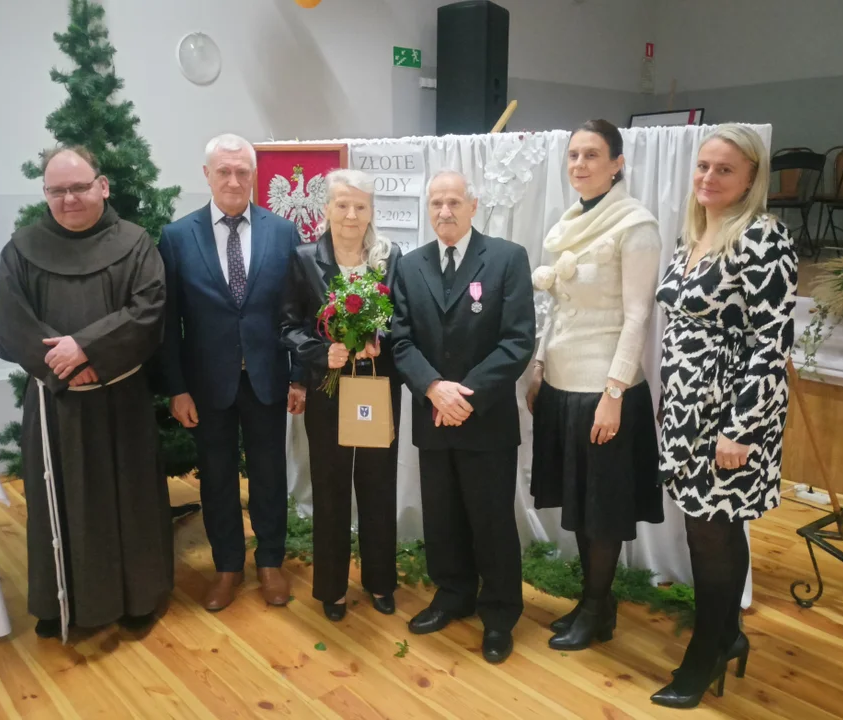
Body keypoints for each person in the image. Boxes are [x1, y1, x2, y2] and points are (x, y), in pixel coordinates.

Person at [0, 145, 173, 638]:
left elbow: (149, 311)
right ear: (45, 193)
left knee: (128, 498)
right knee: (60, 496)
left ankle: (137, 598)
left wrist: (88, 349)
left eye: (78, 187)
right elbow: (12, 325)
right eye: (57, 190)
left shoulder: (136, 244)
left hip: (121, 400)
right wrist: (66, 364)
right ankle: (58, 602)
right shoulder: (22, 249)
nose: (68, 198)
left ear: (102, 186)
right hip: (56, 404)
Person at [651, 124, 797, 709]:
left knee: (714, 530)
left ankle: (709, 648)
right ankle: (725, 633)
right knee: (704, 525)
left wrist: (740, 428)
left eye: (725, 169)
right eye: (703, 166)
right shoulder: (695, 235)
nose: (709, 178)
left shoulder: (763, 238)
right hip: (685, 412)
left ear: (752, 179)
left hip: (730, 418)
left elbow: (770, 342)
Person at [527, 119, 665, 651]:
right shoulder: (568, 223)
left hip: (607, 391)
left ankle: (595, 608)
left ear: (617, 164)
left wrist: (613, 394)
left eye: (592, 155)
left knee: (602, 509)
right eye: (573, 155)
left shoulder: (635, 225)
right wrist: (539, 365)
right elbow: (557, 306)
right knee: (580, 504)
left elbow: (638, 317)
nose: (579, 165)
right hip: (563, 384)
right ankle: (596, 603)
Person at [391, 169, 535, 664]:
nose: (445, 212)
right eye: (436, 203)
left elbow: (518, 340)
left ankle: (498, 614)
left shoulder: (506, 258)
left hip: (485, 419)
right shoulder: (410, 266)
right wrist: (434, 388)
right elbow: (400, 339)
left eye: (453, 202)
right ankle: (453, 593)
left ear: (474, 206)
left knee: (492, 519)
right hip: (433, 414)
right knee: (443, 514)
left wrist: (463, 395)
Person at [158, 134, 305, 611]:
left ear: (254, 176)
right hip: (207, 386)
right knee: (216, 477)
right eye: (224, 171)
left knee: (268, 474)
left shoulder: (282, 233)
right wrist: (177, 388)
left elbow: (299, 313)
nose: (234, 180)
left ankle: (270, 563)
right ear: (207, 175)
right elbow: (168, 323)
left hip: (267, 379)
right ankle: (226, 567)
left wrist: (299, 376)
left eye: (243, 171)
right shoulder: (178, 238)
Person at [280, 169, 402, 621]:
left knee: (378, 486)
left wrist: (381, 341)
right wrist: (319, 352)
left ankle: (380, 582)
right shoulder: (304, 258)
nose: (352, 215)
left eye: (361, 206)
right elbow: (287, 325)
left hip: (377, 385)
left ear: (372, 211)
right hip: (328, 390)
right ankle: (331, 588)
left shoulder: (390, 258)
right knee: (330, 489)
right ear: (327, 208)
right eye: (343, 205)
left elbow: (404, 320)